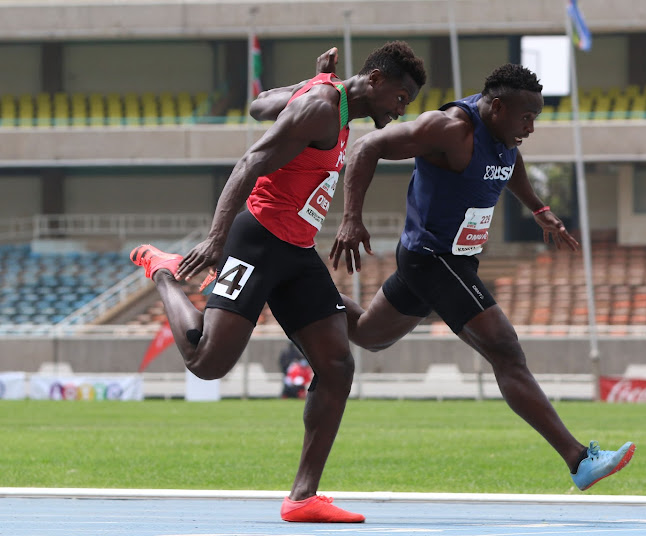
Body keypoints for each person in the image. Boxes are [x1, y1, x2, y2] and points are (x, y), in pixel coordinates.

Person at [130, 41, 426, 523]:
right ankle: (164, 272)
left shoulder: (328, 99)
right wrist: (216, 237)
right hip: (258, 241)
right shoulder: (320, 108)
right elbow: (251, 161)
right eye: (399, 98)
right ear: (375, 81)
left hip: (297, 251)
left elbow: (258, 104)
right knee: (207, 363)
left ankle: (303, 497)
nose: (399, 111)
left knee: (336, 366)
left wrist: (310, 80)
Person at [329, 63, 636, 492]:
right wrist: (351, 219)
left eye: (536, 119)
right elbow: (366, 148)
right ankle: (579, 459)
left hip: (450, 260)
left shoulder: (502, 137)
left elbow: (510, 161)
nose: (530, 128)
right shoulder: (450, 128)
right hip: (435, 257)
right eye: (525, 118)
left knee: (368, 334)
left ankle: (298, 289)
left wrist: (538, 208)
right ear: (496, 107)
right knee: (506, 352)